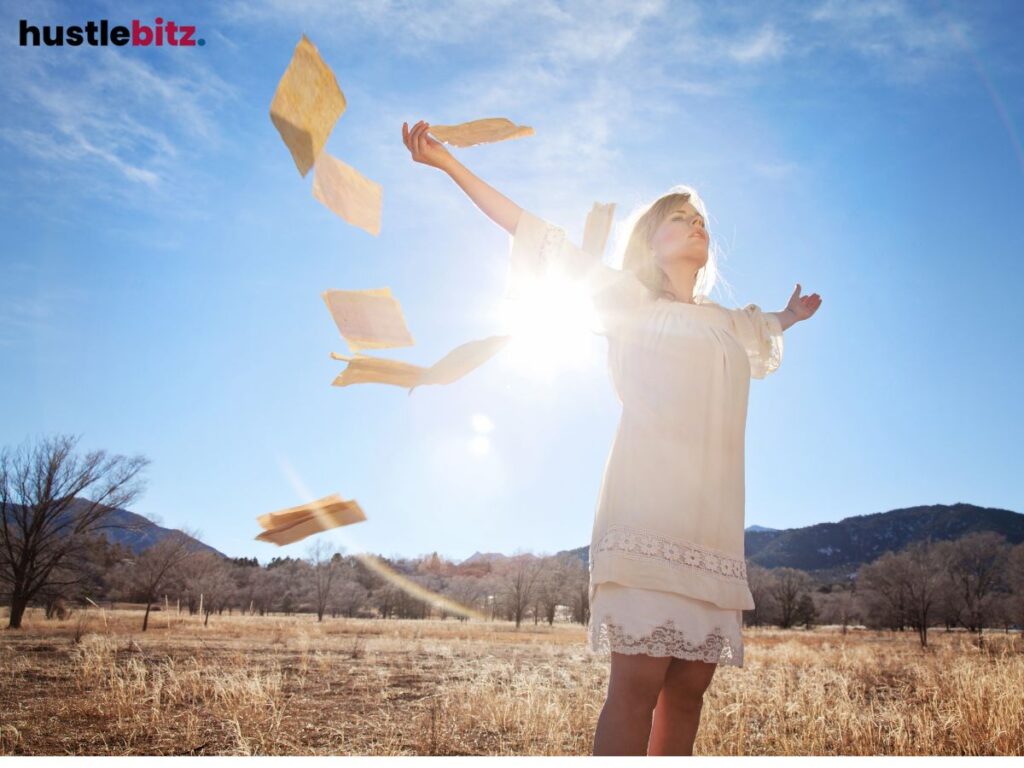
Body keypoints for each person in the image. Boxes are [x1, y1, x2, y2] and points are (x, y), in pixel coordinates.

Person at [401, 120, 822, 756]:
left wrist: (792, 315)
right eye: (679, 218)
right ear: (650, 241)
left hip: (711, 527)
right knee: (639, 684)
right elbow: (533, 231)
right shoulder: (627, 298)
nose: (696, 224)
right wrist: (447, 164)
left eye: (700, 219)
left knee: (690, 690)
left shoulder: (728, 322)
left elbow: (766, 327)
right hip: (645, 510)